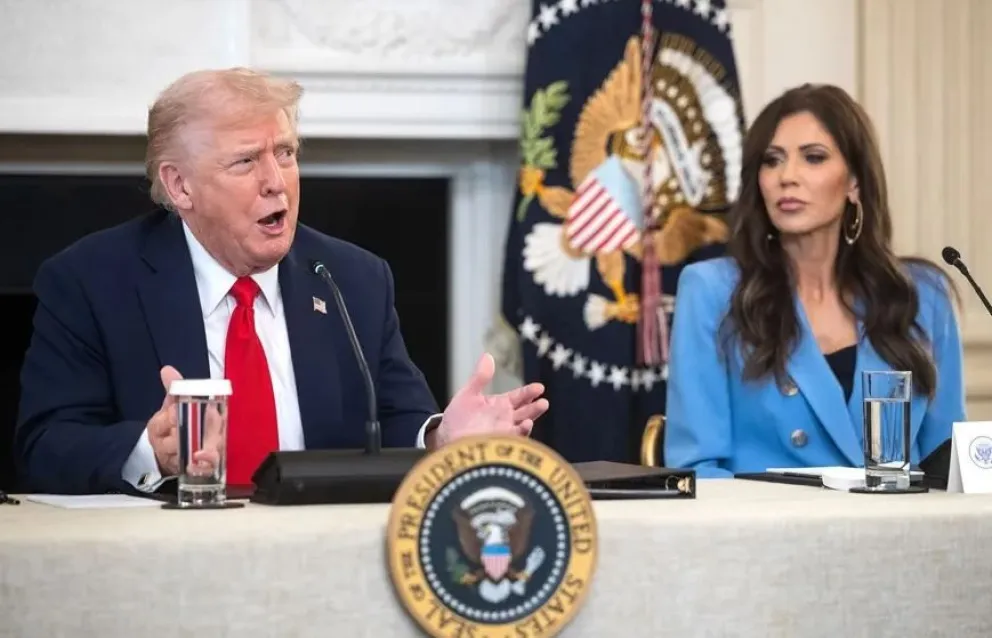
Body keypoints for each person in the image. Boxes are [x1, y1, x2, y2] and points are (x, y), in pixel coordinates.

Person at [14, 68, 549, 495]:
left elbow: (397, 416)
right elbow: (45, 447)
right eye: (246, 161)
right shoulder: (91, 281)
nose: (277, 184)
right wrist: (150, 452)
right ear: (180, 187)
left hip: (320, 553)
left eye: (286, 154)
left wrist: (439, 437)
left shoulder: (352, 279)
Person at [663, 83, 965, 478]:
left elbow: (950, 468)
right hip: (769, 533)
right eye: (772, 161)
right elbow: (698, 470)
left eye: (813, 158)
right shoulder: (711, 291)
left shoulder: (922, 295)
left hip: (901, 534)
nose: (787, 176)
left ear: (855, 181)